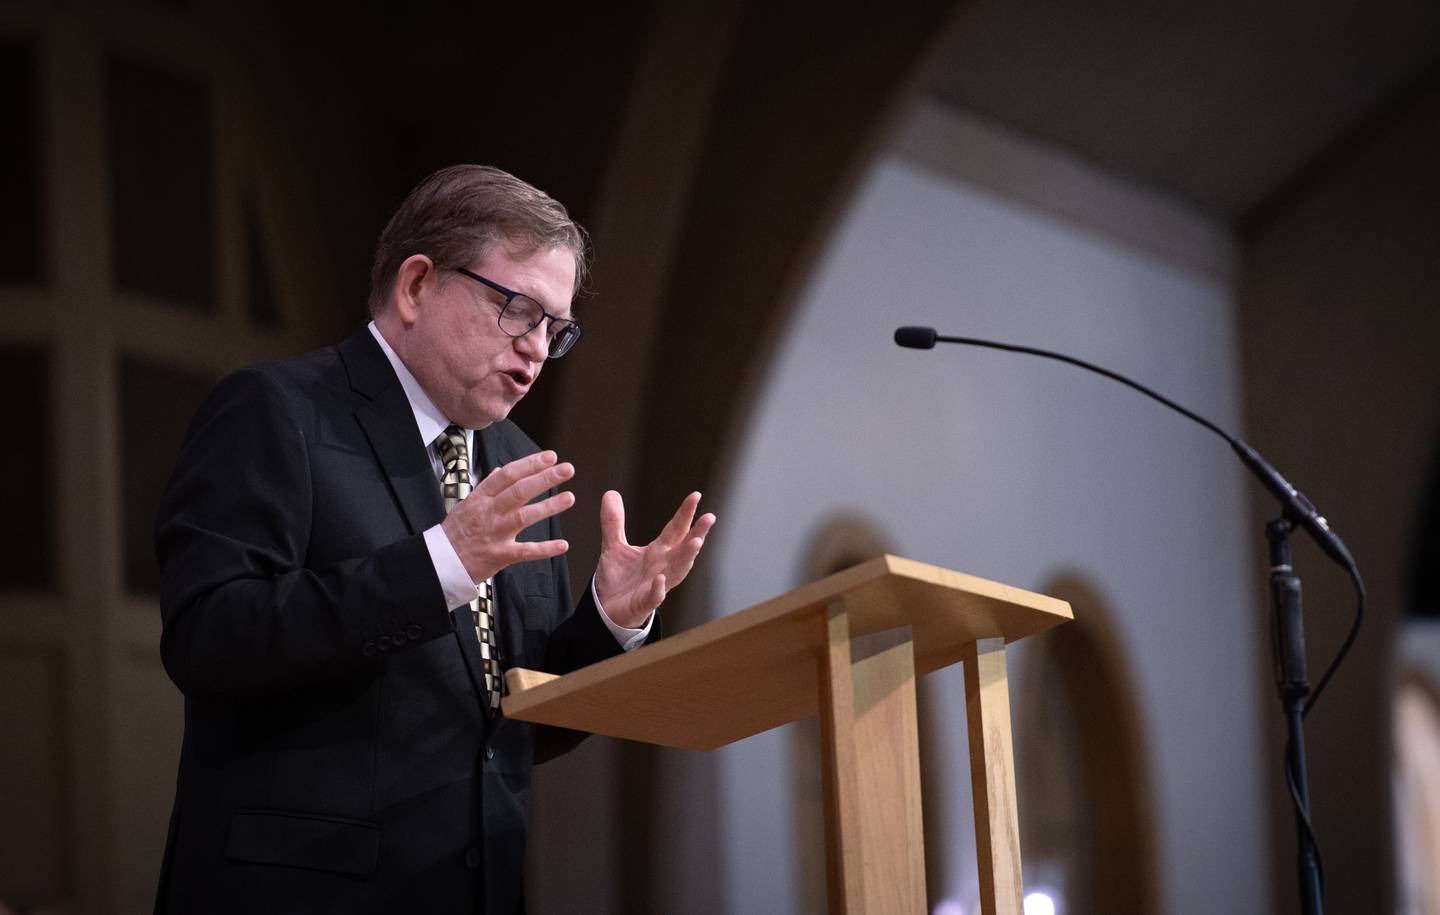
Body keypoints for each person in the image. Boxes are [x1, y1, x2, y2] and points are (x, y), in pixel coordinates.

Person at [151, 165, 714, 914]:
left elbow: (504, 726)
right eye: (519, 310)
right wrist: (440, 563)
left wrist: (610, 622)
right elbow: (209, 638)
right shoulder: (278, 412)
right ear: (417, 285)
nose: (539, 348)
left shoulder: (516, 461)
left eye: (557, 327)